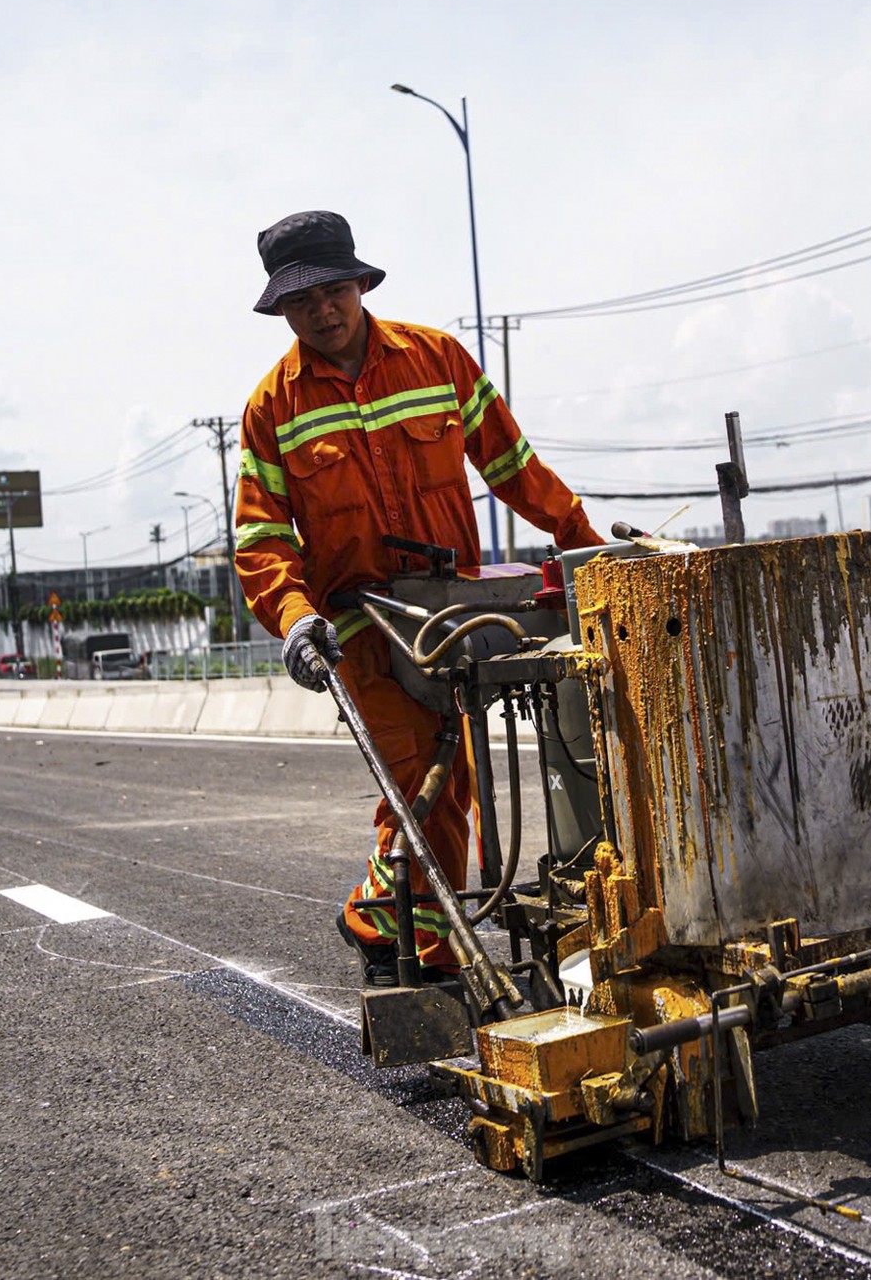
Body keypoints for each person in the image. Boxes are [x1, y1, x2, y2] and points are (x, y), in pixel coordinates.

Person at [232, 210, 604, 986]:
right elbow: (262, 537)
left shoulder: (437, 360)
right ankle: (426, 961)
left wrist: (583, 545)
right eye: (303, 303)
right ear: (283, 311)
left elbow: (511, 462)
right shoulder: (274, 407)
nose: (322, 312)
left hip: (450, 616)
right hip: (361, 627)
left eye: (333, 291)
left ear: (361, 284)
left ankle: (379, 915)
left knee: (443, 783)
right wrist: (296, 618)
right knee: (420, 786)